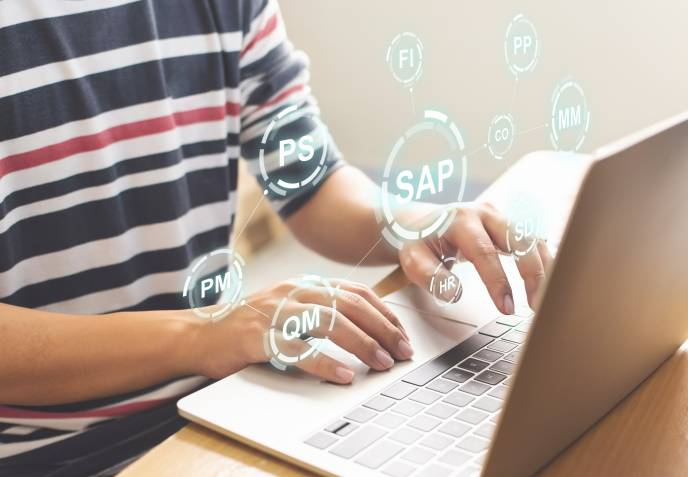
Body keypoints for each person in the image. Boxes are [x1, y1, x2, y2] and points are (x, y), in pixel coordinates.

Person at [0, 1, 551, 475]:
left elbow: (310, 183)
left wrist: (412, 222)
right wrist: (203, 335)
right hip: (43, 457)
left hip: (202, 417)